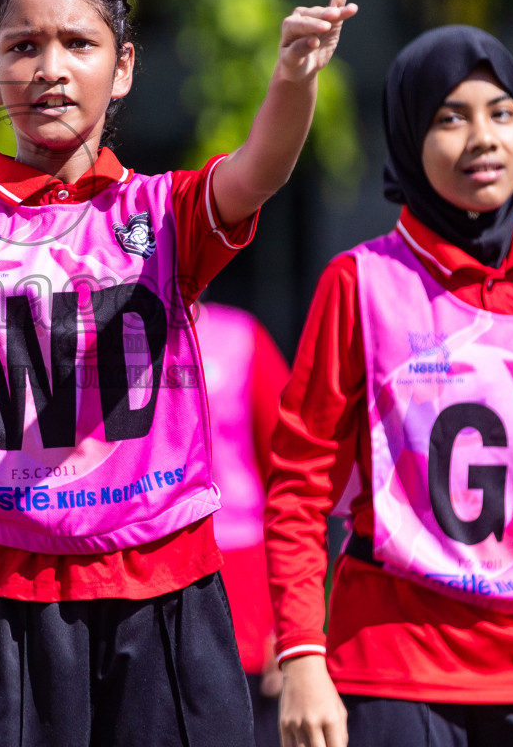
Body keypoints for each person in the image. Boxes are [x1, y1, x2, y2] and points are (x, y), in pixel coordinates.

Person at [0, 0, 358, 747]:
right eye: (23, 47)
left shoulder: (164, 212)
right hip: (6, 585)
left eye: (77, 44)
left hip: (164, 579)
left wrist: (294, 75)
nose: (51, 67)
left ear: (122, 68)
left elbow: (260, 171)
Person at [264, 26, 513, 747]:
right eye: (451, 117)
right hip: (392, 664)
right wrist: (302, 654)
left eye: (502, 112)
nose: (484, 137)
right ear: (408, 135)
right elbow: (299, 486)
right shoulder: (360, 284)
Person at [196, 300, 292, 747]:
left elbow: (293, 481)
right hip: (137, 575)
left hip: (239, 578)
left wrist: (292, 621)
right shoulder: (96, 342)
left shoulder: (240, 338)